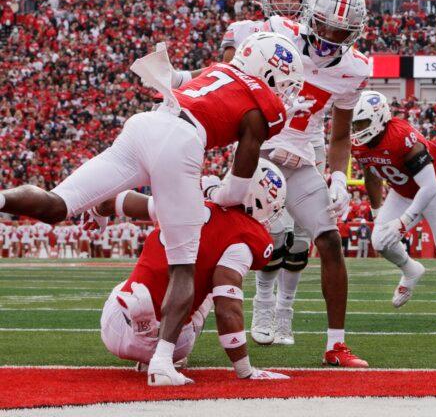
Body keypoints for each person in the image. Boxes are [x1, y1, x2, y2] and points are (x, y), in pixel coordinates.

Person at [0, 30, 300, 384]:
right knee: (183, 266)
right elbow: (235, 191)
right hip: (182, 140)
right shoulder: (261, 105)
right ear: (270, 73)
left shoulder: (218, 71)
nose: (285, 91)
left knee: (59, 204)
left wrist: (107, 205)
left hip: (146, 123)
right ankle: (161, 363)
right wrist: (211, 193)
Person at [220, 0, 371, 367]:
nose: (328, 36)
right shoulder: (277, 32)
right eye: (322, 25)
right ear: (308, 17)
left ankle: (336, 345)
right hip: (261, 149)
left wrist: (339, 177)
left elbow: (340, 135)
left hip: (302, 157)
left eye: (339, 31)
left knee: (330, 241)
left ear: (354, 31)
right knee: (233, 240)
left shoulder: (354, 69)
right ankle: (195, 322)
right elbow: (233, 74)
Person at [96, 164, 288, 383]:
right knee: (211, 287)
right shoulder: (244, 237)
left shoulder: (191, 198)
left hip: (116, 326)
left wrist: (97, 210)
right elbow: (228, 310)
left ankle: (150, 336)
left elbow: (116, 202)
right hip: (172, 344)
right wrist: (245, 370)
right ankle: (168, 358)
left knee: (140, 279)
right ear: (260, 201)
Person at [351, 91, 436, 323]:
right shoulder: (360, 144)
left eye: (362, 123)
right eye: (355, 123)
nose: (357, 129)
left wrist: (404, 221)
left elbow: (428, 187)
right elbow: (371, 175)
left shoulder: (402, 137)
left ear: (378, 118)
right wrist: (377, 213)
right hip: (404, 190)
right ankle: (410, 269)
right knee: (380, 241)